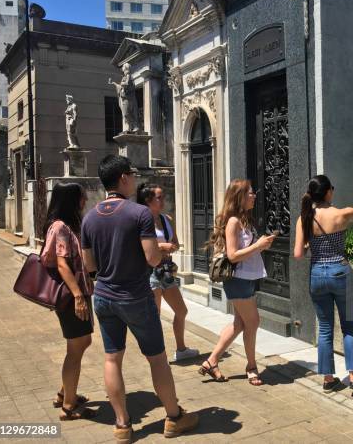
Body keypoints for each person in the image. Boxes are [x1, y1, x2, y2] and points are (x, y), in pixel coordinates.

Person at [81, 156, 198, 442]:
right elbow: (152, 257)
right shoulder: (139, 214)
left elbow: (90, 266)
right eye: (131, 174)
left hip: (105, 297)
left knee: (112, 359)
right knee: (157, 359)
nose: (134, 179)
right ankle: (173, 417)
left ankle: (123, 425)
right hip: (135, 295)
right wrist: (160, 251)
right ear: (122, 178)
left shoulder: (90, 217)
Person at [293, 174, 353, 395]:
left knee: (325, 328)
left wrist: (312, 242)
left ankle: (329, 379)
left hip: (317, 274)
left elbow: (298, 253)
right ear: (328, 192)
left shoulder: (304, 219)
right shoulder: (340, 214)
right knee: (349, 326)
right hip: (340, 271)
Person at [200, 179, 275, 386]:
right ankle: (251, 366)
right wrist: (258, 245)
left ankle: (211, 361)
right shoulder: (233, 221)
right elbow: (232, 256)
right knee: (253, 322)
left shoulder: (244, 220)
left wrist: (261, 246)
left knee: (240, 323)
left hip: (247, 277)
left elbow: (244, 251)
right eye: (250, 193)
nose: (254, 196)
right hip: (238, 279)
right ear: (240, 196)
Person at [41, 183, 95, 420]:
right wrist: (78, 296)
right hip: (72, 297)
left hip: (77, 294)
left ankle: (66, 392)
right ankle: (69, 406)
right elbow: (62, 264)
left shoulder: (66, 225)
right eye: (82, 197)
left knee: (82, 343)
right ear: (72, 200)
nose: (85, 201)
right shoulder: (61, 226)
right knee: (75, 348)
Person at [137, 183, 199, 362]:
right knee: (154, 316)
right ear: (148, 200)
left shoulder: (167, 219)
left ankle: (181, 349)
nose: (163, 200)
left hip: (166, 271)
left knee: (181, 310)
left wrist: (170, 247)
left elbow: (176, 243)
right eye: (159, 197)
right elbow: (138, 248)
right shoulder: (140, 221)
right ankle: (157, 354)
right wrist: (161, 246)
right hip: (150, 272)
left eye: (163, 196)